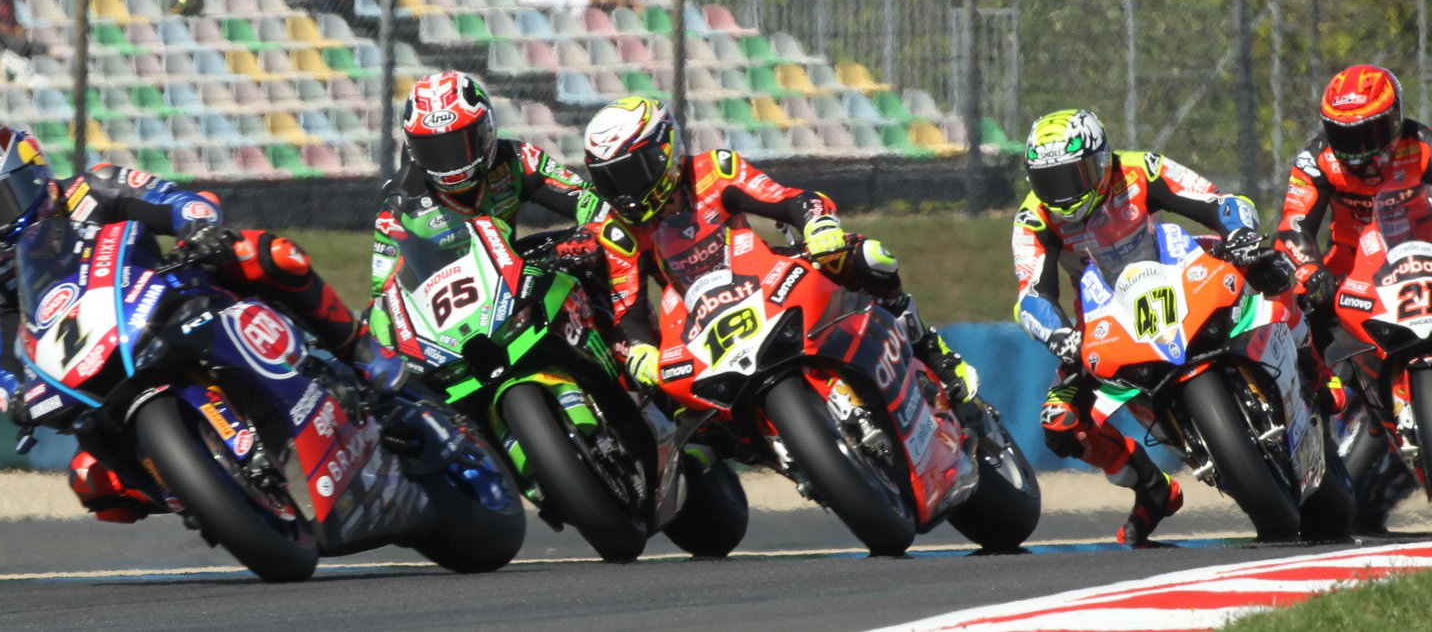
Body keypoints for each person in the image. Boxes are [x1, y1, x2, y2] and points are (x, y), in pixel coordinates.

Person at [0, 127, 389, 523]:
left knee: (264, 254)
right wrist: (13, 394)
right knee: (92, 481)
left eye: (0, 200)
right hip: (94, 363)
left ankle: (359, 351)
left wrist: (198, 228)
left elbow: (176, 201)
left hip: (165, 299)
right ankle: (201, 494)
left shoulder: (95, 187)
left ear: (35, 178)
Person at [579, 95, 979, 400]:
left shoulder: (713, 170)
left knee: (870, 258)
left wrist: (818, 225)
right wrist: (641, 349)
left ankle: (931, 351)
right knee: (664, 395)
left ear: (664, 151)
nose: (624, 192)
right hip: (696, 321)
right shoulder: (620, 231)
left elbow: (788, 200)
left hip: (761, 275)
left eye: (630, 173)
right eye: (610, 181)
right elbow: (628, 308)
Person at [1011, 108, 1289, 545]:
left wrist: (1239, 235)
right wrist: (1058, 334)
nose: (1063, 193)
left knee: (1277, 268)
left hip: (1180, 272)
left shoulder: (1139, 169)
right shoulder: (1034, 218)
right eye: (1050, 181)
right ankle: (1151, 486)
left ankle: (1316, 374)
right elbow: (1032, 294)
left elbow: (1217, 202)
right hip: (1105, 315)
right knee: (1060, 421)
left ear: (1101, 159)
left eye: (1073, 176)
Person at [369, 70, 608, 304]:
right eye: (432, 151)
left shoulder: (518, 160)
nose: (450, 165)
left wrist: (586, 235)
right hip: (446, 312)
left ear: (488, 131)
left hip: (512, 286)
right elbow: (384, 294)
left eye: (459, 146)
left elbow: (590, 201)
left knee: (596, 253)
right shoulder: (398, 204)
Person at [1277, 65, 1432, 370]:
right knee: (1292, 312)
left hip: (1419, 259)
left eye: (1368, 133)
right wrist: (1312, 273)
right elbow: (1293, 227)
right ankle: (1317, 388)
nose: (1358, 151)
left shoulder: (1424, 146)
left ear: (1395, 119)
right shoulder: (1316, 159)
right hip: (1350, 270)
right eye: (1344, 136)